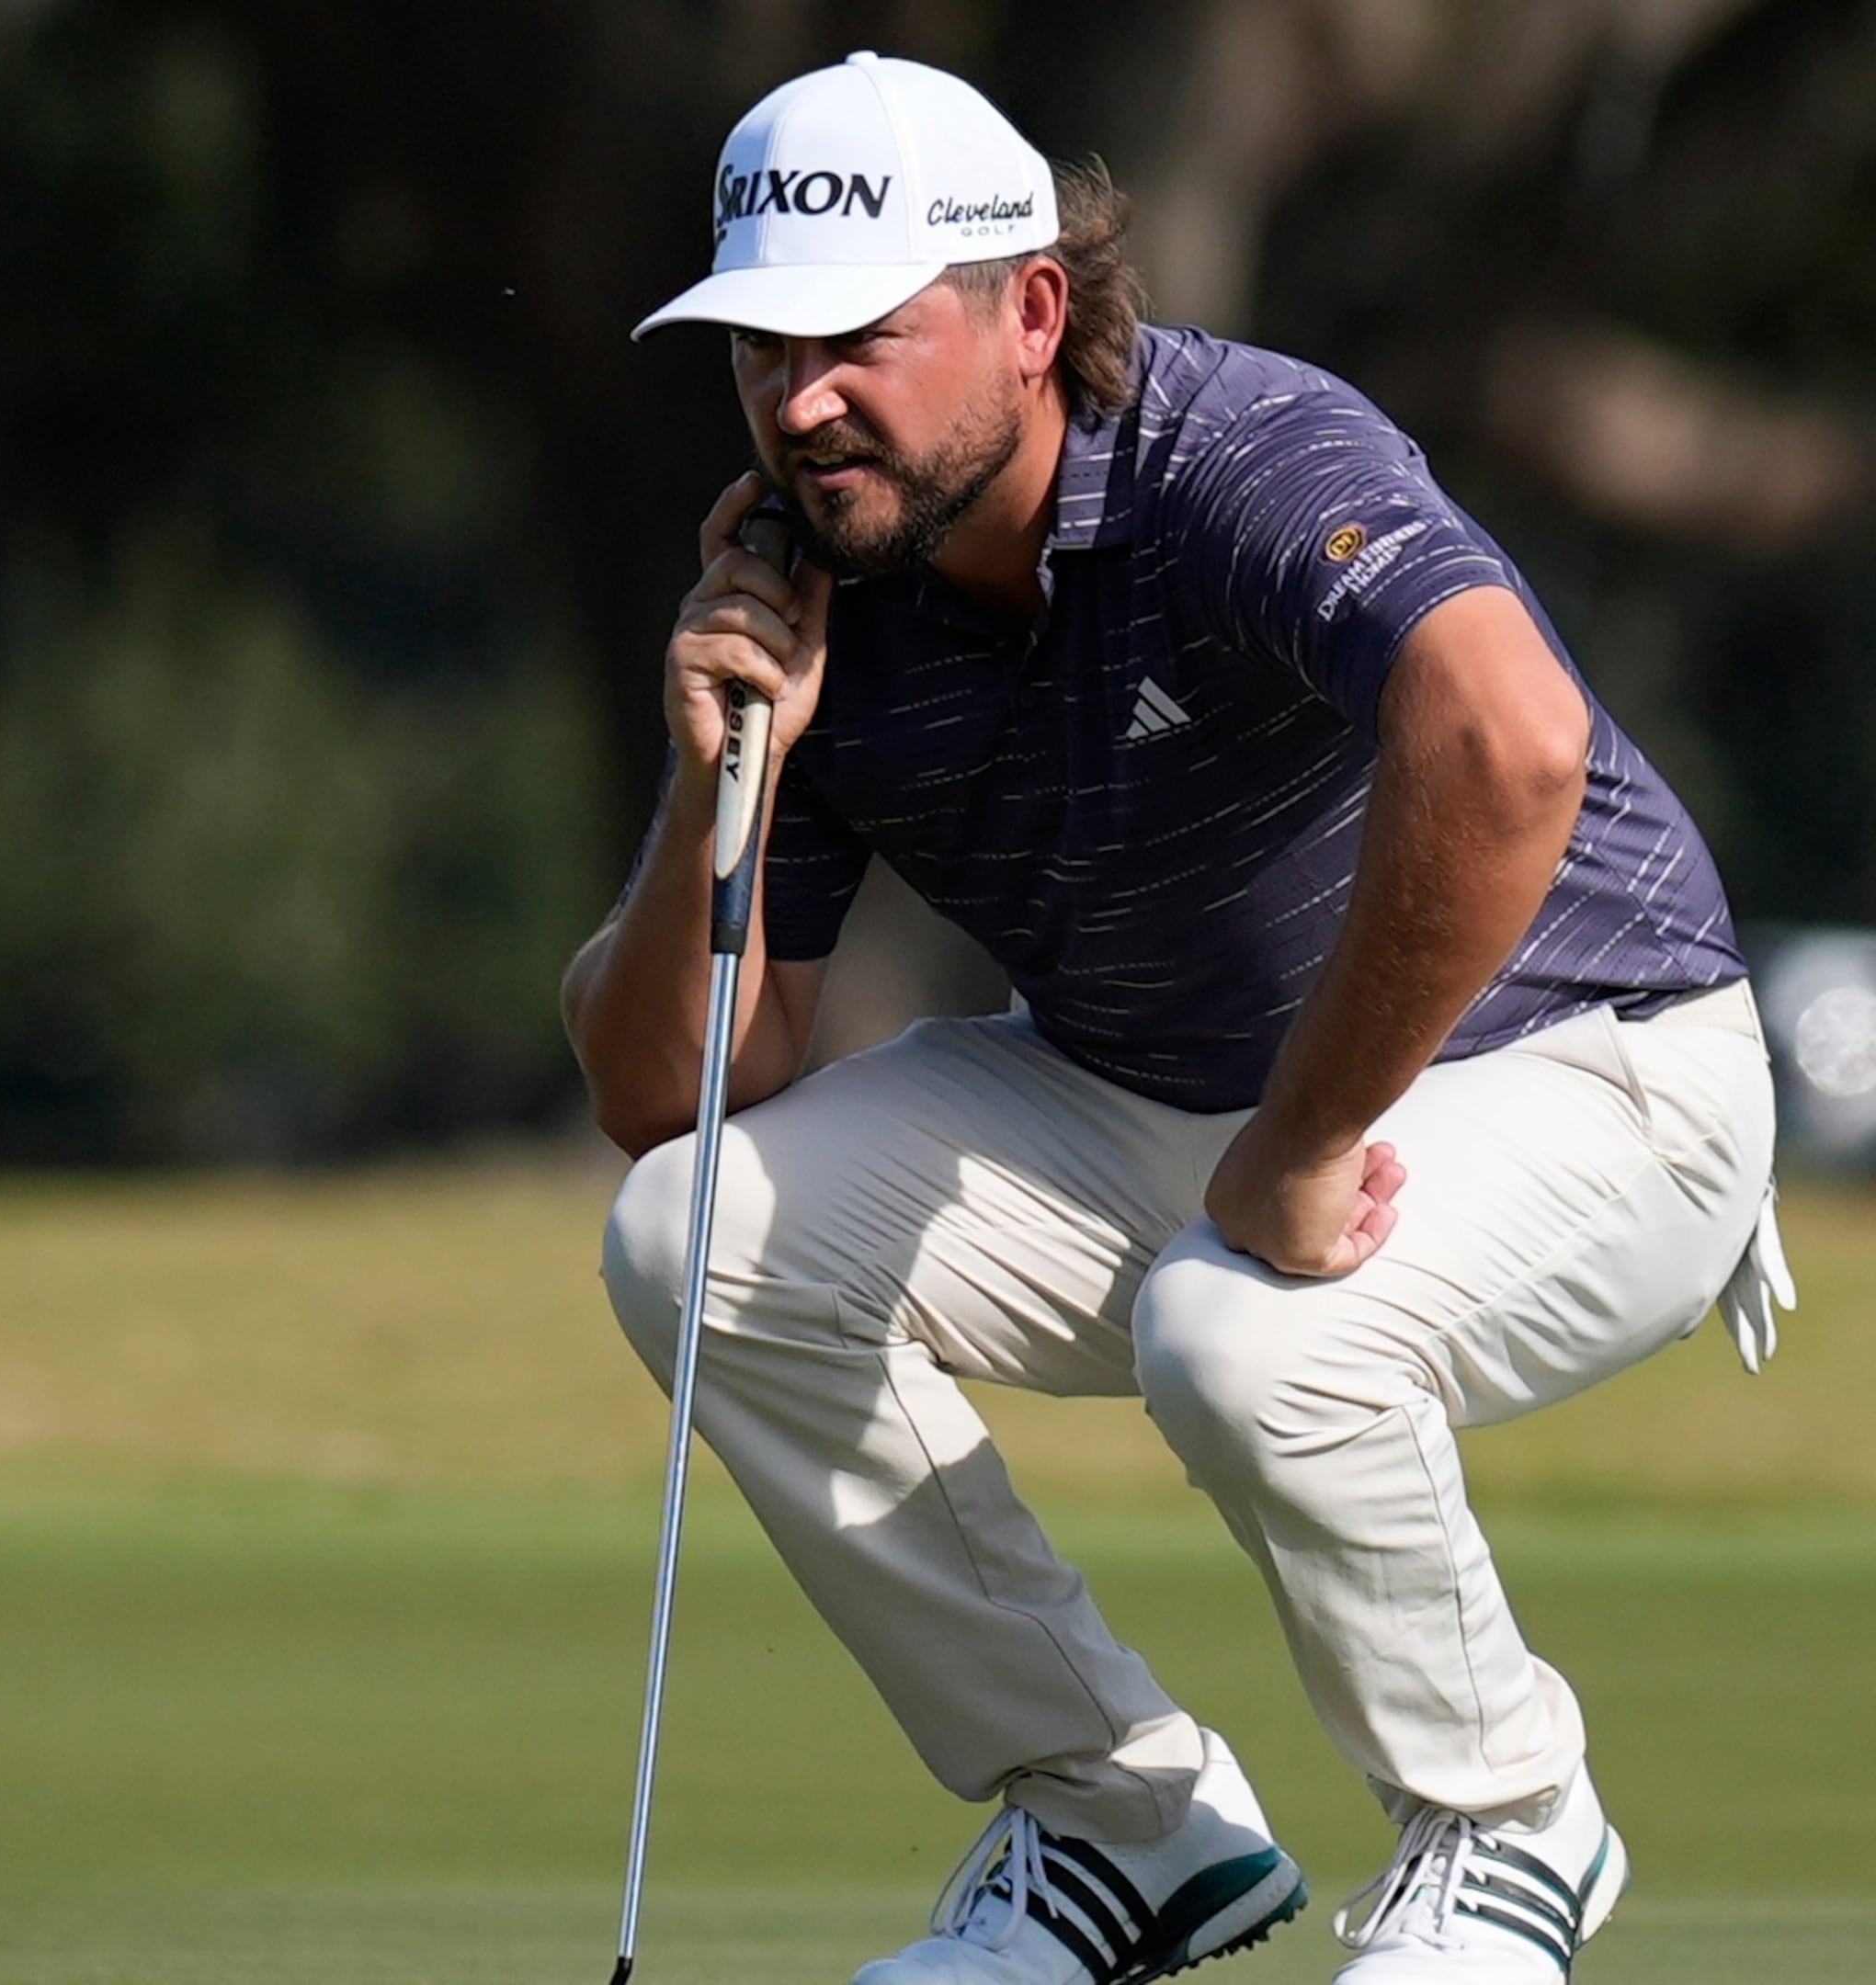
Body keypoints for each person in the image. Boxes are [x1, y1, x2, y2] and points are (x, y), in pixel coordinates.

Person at [563, 51, 1795, 1985]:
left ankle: (1510, 1824)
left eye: (859, 339)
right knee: (686, 1234)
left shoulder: (1240, 453)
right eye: (759, 351)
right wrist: (725, 765)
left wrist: (1295, 1152)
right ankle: (1121, 1827)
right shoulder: (816, 596)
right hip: (1176, 1100)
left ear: (1032, 311)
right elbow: (675, 1098)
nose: (802, 405)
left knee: (1235, 1335)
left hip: (1601, 1065)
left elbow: (1512, 738)